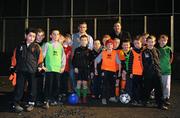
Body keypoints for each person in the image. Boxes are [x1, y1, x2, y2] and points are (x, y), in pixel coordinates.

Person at [10, 28, 43, 112]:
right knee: (19, 88)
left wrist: (39, 67)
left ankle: (31, 103)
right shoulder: (19, 46)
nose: (32, 38)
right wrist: (13, 67)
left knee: (32, 88)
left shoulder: (37, 47)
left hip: (32, 71)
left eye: (33, 36)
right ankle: (16, 103)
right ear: (26, 36)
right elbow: (14, 57)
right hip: (21, 70)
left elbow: (40, 59)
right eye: (30, 36)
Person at [142, 35, 168, 110]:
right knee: (147, 89)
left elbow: (158, 61)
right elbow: (144, 63)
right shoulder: (144, 52)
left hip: (157, 73)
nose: (150, 43)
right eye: (149, 42)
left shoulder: (156, 50)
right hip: (148, 75)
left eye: (152, 42)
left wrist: (158, 71)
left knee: (159, 89)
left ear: (155, 42)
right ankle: (145, 101)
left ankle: (160, 104)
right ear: (146, 42)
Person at [42, 28, 66, 109]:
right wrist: (42, 66)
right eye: (54, 34)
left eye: (57, 34)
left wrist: (63, 67)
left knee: (57, 85)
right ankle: (46, 101)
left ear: (59, 36)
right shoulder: (47, 44)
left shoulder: (60, 46)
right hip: (49, 69)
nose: (56, 36)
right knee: (48, 85)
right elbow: (42, 56)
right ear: (51, 35)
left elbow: (63, 58)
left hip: (58, 70)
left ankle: (53, 99)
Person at [95, 39, 121, 105]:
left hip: (113, 71)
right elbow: (96, 60)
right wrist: (95, 69)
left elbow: (119, 63)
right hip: (105, 70)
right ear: (106, 45)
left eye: (111, 44)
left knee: (112, 85)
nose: (110, 45)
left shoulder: (115, 53)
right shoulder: (103, 52)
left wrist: (119, 72)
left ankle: (112, 97)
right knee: (104, 85)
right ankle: (103, 98)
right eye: (108, 44)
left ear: (113, 46)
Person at [72, 35, 92, 104]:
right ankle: (78, 98)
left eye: (85, 40)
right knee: (78, 83)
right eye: (82, 40)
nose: (83, 41)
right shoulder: (77, 50)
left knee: (85, 83)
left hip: (86, 69)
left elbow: (91, 61)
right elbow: (74, 60)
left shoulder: (89, 51)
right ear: (80, 41)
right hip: (78, 69)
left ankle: (84, 98)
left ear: (87, 41)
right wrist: (75, 67)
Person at [157, 34, 173, 105]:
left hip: (167, 71)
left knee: (166, 85)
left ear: (167, 41)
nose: (163, 42)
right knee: (159, 85)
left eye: (165, 41)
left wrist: (167, 65)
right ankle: (159, 98)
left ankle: (166, 98)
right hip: (158, 71)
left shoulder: (169, 49)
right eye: (161, 40)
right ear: (158, 41)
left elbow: (171, 58)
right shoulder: (156, 49)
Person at [128, 35, 143, 105]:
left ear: (141, 43)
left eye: (138, 43)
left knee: (141, 87)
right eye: (135, 43)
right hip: (135, 72)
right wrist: (130, 72)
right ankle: (134, 99)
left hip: (142, 73)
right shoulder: (132, 52)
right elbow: (130, 63)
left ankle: (140, 99)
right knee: (134, 87)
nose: (137, 45)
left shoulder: (144, 51)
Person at [35, 28, 46, 106]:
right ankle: (32, 100)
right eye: (38, 35)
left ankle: (40, 100)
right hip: (32, 68)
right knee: (32, 85)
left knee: (41, 84)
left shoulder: (45, 44)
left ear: (44, 36)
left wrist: (43, 66)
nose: (40, 37)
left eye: (41, 35)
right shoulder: (32, 44)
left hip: (42, 68)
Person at [60, 34, 73, 101]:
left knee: (65, 82)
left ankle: (64, 94)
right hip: (59, 68)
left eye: (69, 39)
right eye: (67, 38)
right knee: (59, 82)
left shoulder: (70, 48)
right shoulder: (60, 46)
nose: (68, 40)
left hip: (67, 68)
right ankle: (59, 94)